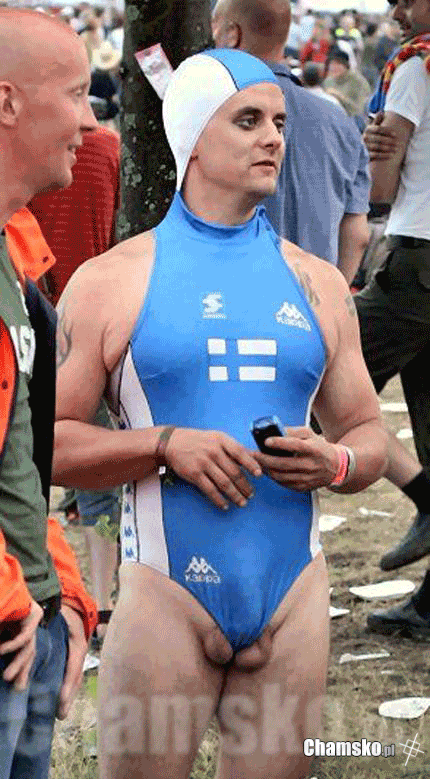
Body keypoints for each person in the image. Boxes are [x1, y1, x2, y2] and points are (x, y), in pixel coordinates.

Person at [52, 48, 387, 779]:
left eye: (279, 122)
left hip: (293, 594)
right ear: (193, 136)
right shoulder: (112, 280)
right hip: (165, 595)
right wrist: (163, 444)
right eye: (248, 120)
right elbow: (48, 446)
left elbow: (370, 436)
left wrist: (334, 461)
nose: (273, 137)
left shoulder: (317, 281)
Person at [0, 9, 98, 779]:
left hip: (31, 627)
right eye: (75, 93)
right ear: (7, 102)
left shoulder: (16, 252)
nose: (90, 120)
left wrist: (62, 594)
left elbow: (23, 458)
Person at [28, 126, 122, 649]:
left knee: (27, 469)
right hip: (92, 329)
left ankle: (41, 594)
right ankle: (102, 603)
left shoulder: (26, 148)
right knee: (96, 478)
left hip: (35, 322)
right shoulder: (110, 150)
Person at [355, 0, 430, 639]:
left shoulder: (416, 67)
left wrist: (369, 150)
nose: (399, 13)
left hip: (419, 260)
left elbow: (380, 187)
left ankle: (426, 500)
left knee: (327, 378)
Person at [211, 0, 371, 285]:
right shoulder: (340, 122)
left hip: (226, 295)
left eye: (214, 27)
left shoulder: (211, 112)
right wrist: (332, 296)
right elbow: (357, 234)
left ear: (232, 34)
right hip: (313, 298)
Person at [323, 48, 372, 121]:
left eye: (338, 64)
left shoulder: (358, 82)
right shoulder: (328, 81)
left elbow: (360, 111)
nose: (334, 67)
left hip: (352, 120)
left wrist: (339, 96)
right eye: (332, 64)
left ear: (346, 65)